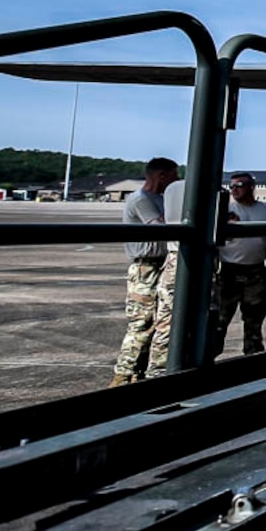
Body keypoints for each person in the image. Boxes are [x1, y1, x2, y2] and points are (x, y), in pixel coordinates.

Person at [111, 156, 178, 386]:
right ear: (161, 176)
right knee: (142, 322)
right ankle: (123, 374)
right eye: (173, 176)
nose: (175, 181)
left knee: (161, 321)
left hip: (161, 263)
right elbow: (160, 226)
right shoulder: (140, 199)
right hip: (145, 267)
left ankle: (139, 373)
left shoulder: (160, 199)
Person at [210, 171, 266, 357]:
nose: (234, 189)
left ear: (251, 187)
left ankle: (252, 357)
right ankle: (208, 356)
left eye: (239, 185)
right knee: (219, 320)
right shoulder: (224, 210)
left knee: (254, 319)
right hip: (228, 271)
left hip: (255, 272)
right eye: (232, 186)